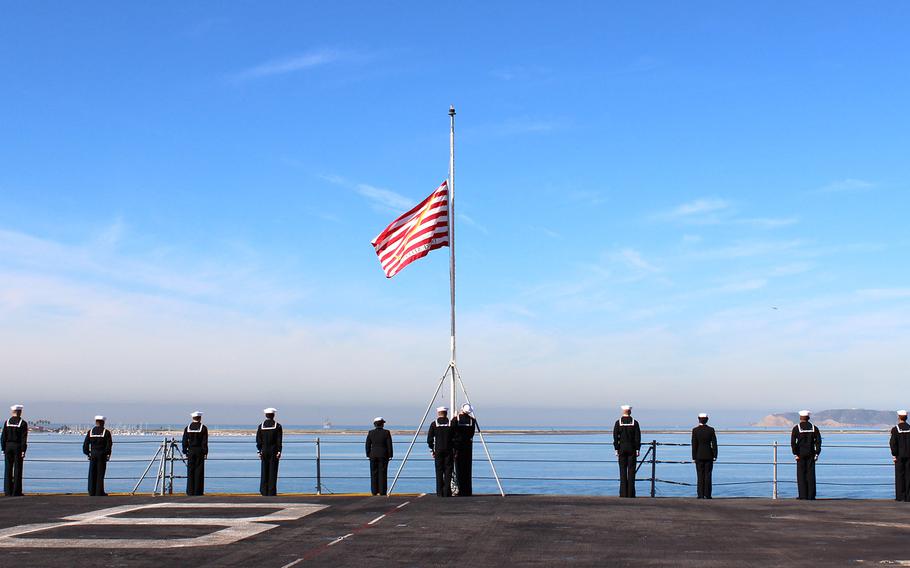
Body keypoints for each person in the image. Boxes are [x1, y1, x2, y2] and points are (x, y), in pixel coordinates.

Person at [790, 410, 822, 500]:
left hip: (800, 454)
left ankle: (803, 495)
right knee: (811, 475)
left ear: (800, 418)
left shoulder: (796, 428)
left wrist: (795, 453)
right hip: (811, 454)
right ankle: (811, 495)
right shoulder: (814, 428)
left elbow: (793, 442)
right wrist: (817, 453)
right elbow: (818, 442)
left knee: (801, 475)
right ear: (808, 418)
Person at [613, 405, 641, 498]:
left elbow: (615, 437)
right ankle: (631, 494)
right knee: (632, 471)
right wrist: (637, 449)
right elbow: (638, 437)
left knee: (622, 471)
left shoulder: (618, 422)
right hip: (632, 448)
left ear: (623, 412)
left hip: (621, 448)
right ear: (630, 412)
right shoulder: (635, 423)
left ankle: (623, 493)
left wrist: (616, 448)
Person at [427, 406, 455, 497]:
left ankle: (439, 492)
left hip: (438, 450)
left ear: (438, 413)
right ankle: (447, 492)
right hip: (449, 449)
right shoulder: (451, 424)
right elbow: (455, 438)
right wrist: (456, 450)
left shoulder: (434, 424)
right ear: (446, 413)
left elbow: (429, 439)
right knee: (448, 470)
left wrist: (432, 450)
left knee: (439, 471)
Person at [82, 415, 112, 496]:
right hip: (102, 455)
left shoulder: (90, 432)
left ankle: (91, 491)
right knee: (100, 473)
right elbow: (109, 446)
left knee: (92, 473)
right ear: (103, 422)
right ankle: (99, 492)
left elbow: (85, 445)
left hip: (93, 455)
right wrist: (107, 454)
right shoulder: (106, 432)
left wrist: (88, 453)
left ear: (96, 422)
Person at [2, 404, 27, 496]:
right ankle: (16, 491)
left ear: (12, 412)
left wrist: (3, 448)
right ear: (20, 412)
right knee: (18, 469)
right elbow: (23, 438)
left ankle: (7, 491)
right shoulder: (22, 423)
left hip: (8, 446)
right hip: (17, 447)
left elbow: (3, 436)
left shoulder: (7, 422)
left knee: (8, 469)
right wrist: (23, 450)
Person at [691, 412, 718, 499]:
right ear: (707, 419)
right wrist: (715, 455)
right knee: (708, 475)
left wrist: (694, 457)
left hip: (699, 455)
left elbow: (694, 445)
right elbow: (714, 443)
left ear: (698, 419)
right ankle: (708, 494)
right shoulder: (711, 430)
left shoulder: (695, 430)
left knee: (700, 475)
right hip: (709, 455)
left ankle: (700, 494)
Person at [182, 411, 208, 496]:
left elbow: (184, 441)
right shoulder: (203, 428)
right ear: (200, 418)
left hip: (191, 451)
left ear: (192, 418)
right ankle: (198, 491)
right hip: (199, 451)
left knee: (190, 471)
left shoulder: (187, 428)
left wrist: (185, 451)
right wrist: (205, 452)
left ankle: (190, 491)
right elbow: (204, 442)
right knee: (199, 471)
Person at [256, 408, 282, 496]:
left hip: (264, 451)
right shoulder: (277, 426)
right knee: (273, 471)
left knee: (264, 471)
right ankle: (271, 491)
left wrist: (259, 451)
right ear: (273, 415)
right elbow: (279, 440)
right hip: (274, 451)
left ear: (265, 415)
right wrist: (279, 451)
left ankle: (263, 490)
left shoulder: (261, 426)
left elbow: (258, 440)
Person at [453, 403, 476, 496]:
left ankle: (460, 490)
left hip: (458, 445)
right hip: (468, 445)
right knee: (467, 468)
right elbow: (472, 434)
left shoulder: (456, 419)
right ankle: (467, 490)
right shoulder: (472, 421)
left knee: (458, 467)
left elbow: (453, 430)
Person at [365, 416, 393, 496]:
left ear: (375, 424)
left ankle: (374, 491)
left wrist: (368, 454)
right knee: (383, 473)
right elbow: (389, 445)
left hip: (373, 455)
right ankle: (382, 491)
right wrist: (390, 455)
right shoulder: (386, 432)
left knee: (373, 473)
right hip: (383, 455)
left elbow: (367, 445)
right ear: (382, 424)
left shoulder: (370, 432)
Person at [889, 409, 910, 502]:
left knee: (899, 475)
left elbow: (892, 443)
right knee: (909, 475)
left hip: (899, 456)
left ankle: (900, 496)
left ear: (898, 417)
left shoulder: (895, 429)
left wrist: (894, 455)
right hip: (909, 456)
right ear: (906, 417)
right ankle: (908, 497)